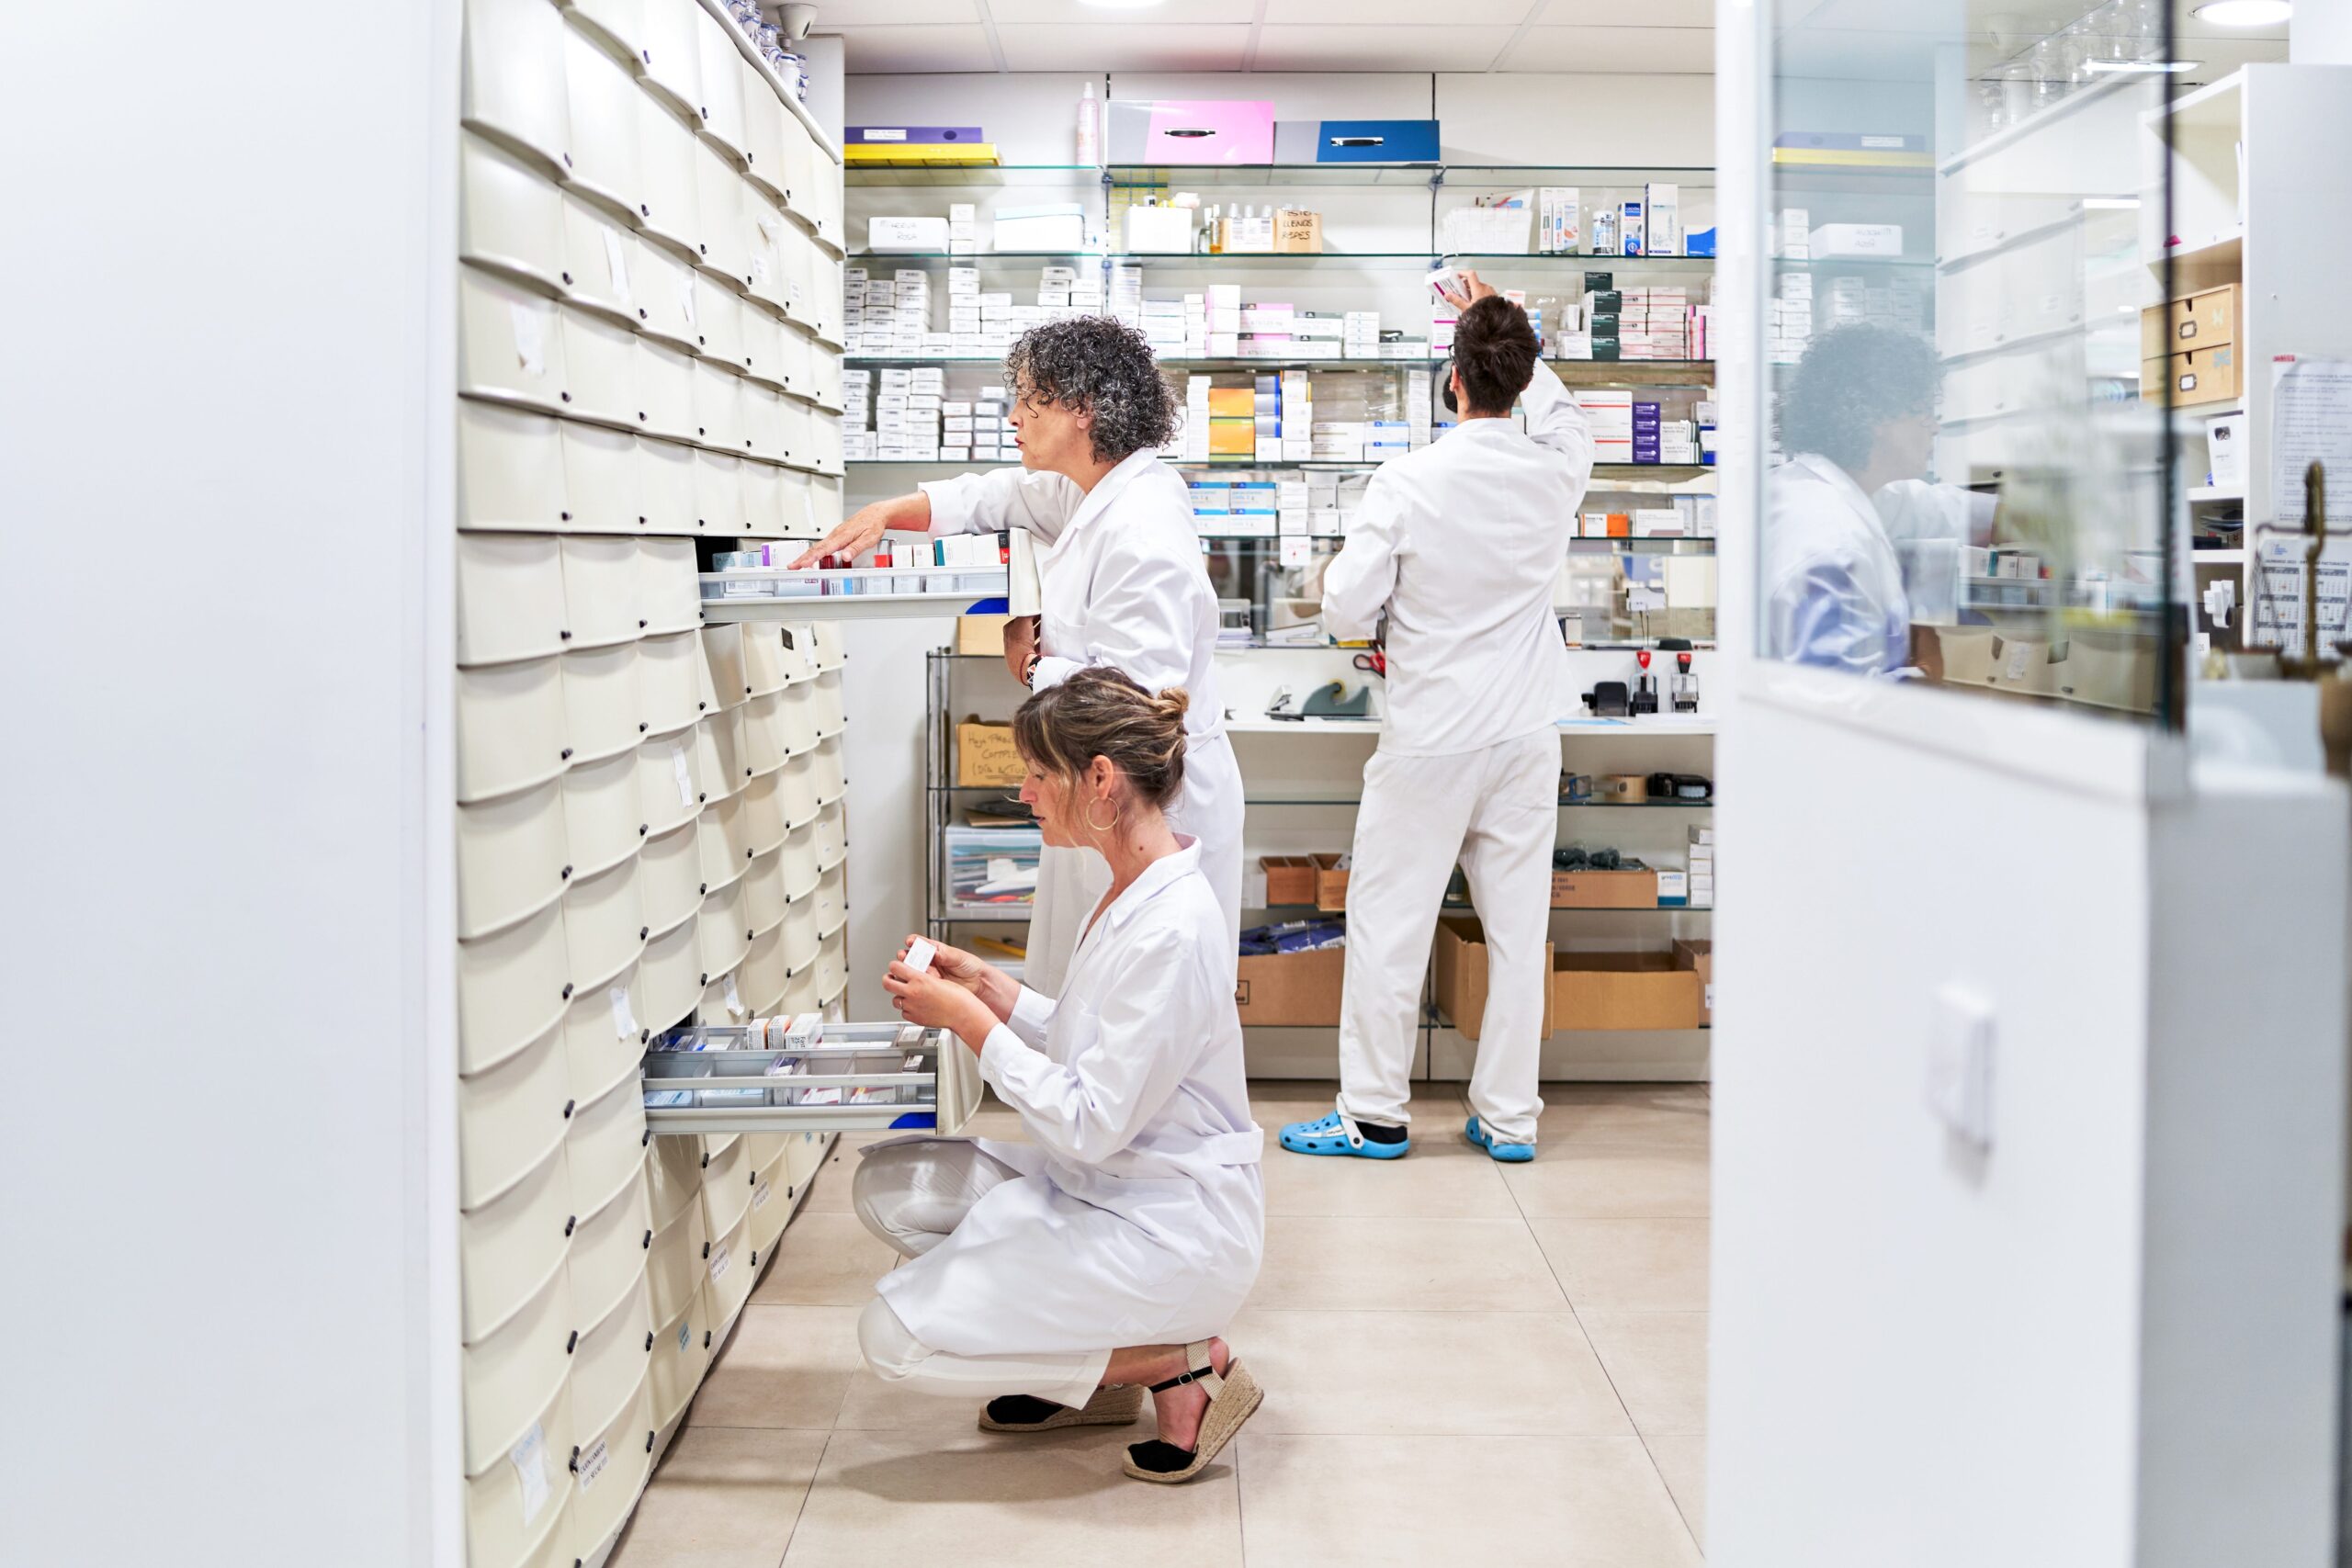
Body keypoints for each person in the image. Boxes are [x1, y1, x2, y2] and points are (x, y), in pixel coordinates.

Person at [854, 667, 1266, 1485]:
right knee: (893, 1184)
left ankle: (1170, 1360)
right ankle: (1091, 1366)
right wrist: (992, 990)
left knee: (891, 1338)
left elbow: (1089, 1117)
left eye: (1040, 773)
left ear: (1100, 781)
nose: (1024, 790)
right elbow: (1098, 1037)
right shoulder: (1131, 887)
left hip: (1170, 1224)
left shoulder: (1173, 929)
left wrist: (966, 1022)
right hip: (1115, 1183)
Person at [793, 318, 1243, 996]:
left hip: (1147, 804)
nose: (1013, 416)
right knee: (1079, 997)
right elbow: (998, 495)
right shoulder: (1094, 488)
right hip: (1094, 792)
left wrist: (1034, 667)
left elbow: (1137, 699)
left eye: (1030, 399)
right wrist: (890, 510)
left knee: (1138, 1014)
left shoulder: (1142, 529)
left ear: (1082, 408)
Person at [1278, 273, 1594, 1165]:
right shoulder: (1556, 471)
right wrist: (1517, 332)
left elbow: (1342, 608)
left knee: (1391, 927)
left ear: (1451, 379)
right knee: (1517, 937)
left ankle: (1374, 1115)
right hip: (1527, 735)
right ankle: (1507, 1119)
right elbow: (1565, 415)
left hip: (1431, 739)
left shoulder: (1408, 480)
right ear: (1521, 378)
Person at [1767, 323, 1995, 678]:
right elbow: (1836, 704)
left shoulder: (1815, 486)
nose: (1934, 428)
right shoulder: (1832, 544)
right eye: (1923, 412)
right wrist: (1928, 664)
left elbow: (1929, 508)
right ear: (1875, 418)